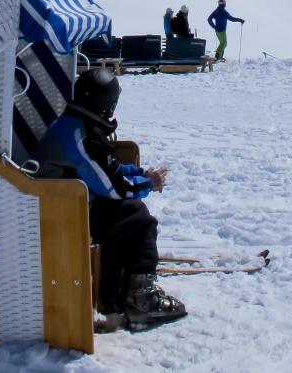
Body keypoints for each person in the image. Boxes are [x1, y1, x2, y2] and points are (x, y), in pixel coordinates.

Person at [30, 67, 187, 331]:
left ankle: (117, 298)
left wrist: (138, 173)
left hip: (63, 207)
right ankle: (141, 300)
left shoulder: (75, 123)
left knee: (126, 214)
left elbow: (103, 168)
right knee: (139, 219)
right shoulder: (83, 136)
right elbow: (116, 189)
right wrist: (150, 183)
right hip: (58, 217)